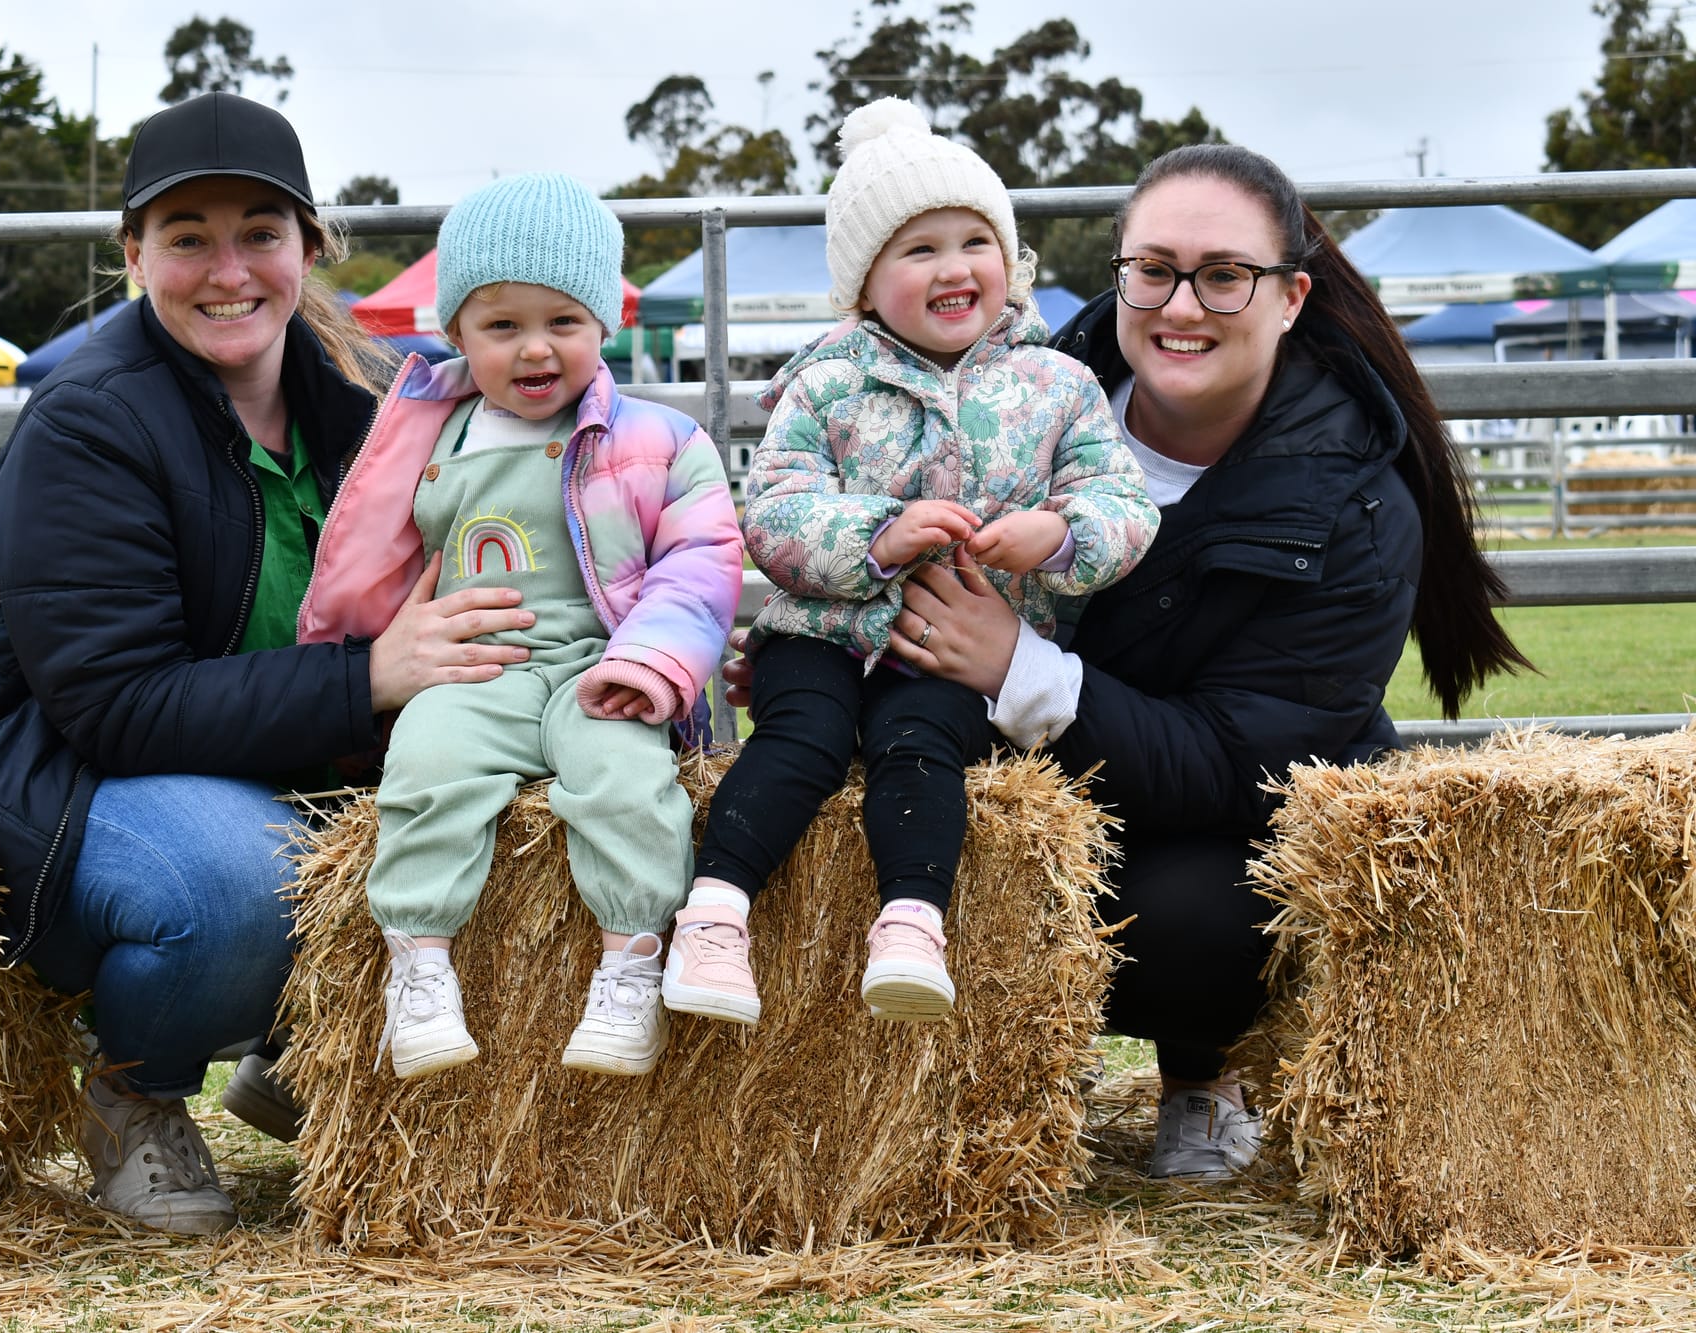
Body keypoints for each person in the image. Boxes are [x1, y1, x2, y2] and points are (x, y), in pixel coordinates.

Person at [745, 142, 1526, 1179]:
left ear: (1289, 296)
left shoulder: (1354, 505)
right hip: (981, 754)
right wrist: (814, 647)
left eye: (1222, 275)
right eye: (1151, 269)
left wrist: (1015, 668)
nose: (1179, 305)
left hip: (1208, 812)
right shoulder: (1030, 389)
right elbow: (826, 519)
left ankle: (1205, 1070)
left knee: (1184, 919)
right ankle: (941, 1086)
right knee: (873, 825)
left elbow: (1248, 760)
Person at [0, 93, 535, 1234]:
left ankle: (307, 1048)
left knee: (514, 795)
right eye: (186, 238)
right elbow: (115, 706)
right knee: (243, 884)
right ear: (134, 255)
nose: (227, 269)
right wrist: (372, 675)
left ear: (309, 247)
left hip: (264, 747)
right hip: (56, 767)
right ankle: (134, 1087)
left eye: (259, 233)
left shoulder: (376, 410)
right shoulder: (88, 422)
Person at [660, 99, 1157, 1030]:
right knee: (799, 738)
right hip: (822, 631)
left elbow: (1124, 505)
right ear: (865, 283)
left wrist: (1057, 538)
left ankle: (912, 920)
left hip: (949, 646)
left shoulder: (1058, 385)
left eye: (975, 240)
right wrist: (880, 536)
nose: (955, 267)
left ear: (1009, 259)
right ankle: (716, 909)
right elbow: (773, 516)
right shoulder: (827, 383)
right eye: (917, 250)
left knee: (922, 739)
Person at [295, 173, 743, 1080]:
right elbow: (381, 553)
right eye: (502, 326)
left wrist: (652, 663)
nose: (535, 349)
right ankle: (419, 959)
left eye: (563, 322)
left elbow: (703, 560)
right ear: (455, 331)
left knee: (624, 779)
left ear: (604, 325)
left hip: (601, 662)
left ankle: (630, 963)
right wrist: (369, 646)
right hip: (478, 668)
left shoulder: (658, 440)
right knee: (426, 765)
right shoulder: (423, 437)